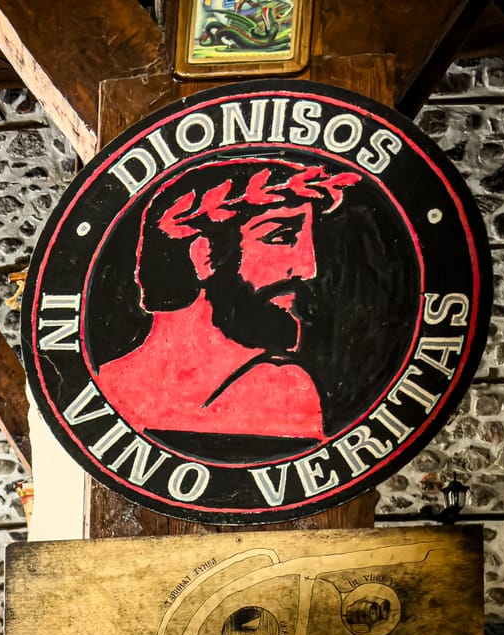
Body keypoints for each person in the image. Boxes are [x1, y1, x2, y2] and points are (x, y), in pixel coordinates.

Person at [97, 161, 361, 444]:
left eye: (308, 243)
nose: (308, 268)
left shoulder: (104, 387)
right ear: (205, 254)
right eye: (281, 236)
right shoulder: (278, 388)